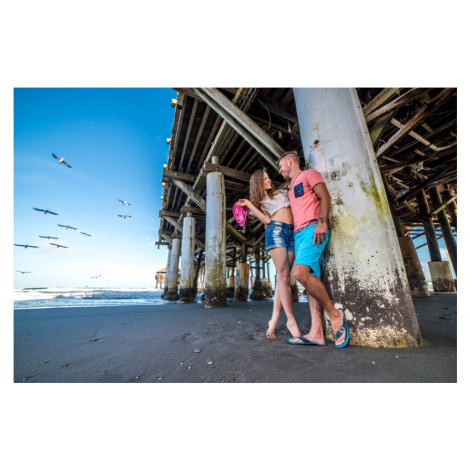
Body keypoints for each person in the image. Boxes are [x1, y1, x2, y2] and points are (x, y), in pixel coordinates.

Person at [277, 150, 349, 349]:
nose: (279, 171)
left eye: (280, 166)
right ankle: (316, 333)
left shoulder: (309, 174)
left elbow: (325, 196)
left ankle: (335, 315)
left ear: (289, 161)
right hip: (299, 235)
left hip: (312, 230)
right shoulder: (290, 188)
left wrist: (322, 222)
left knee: (299, 273)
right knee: (311, 281)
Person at [237, 168, 302, 340]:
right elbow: (267, 220)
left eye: (268, 178)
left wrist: (291, 186)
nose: (269, 180)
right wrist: (249, 204)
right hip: (276, 232)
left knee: (283, 279)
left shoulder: (280, 193)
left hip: (292, 232)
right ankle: (291, 320)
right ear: (257, 182)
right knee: (284, 275)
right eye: (265, 178)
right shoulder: (259, 202)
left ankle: (273, 322)